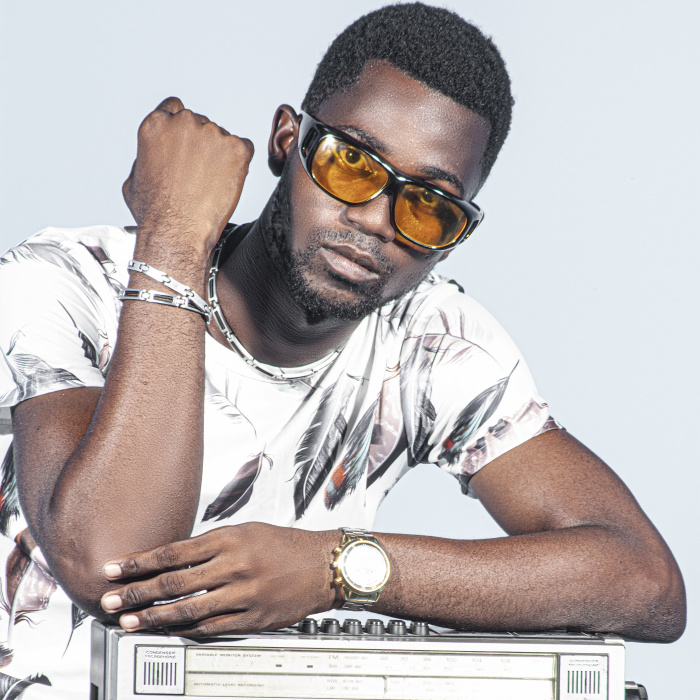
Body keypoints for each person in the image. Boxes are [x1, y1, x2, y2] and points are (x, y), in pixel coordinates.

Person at [0, 2, 685, 695]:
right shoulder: (70, 280)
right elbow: (113, 565)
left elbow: (645, 583)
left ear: (456, 236)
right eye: (351, 162)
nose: (374, 220)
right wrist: (174, 240)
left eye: (430, 205)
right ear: (286, 141)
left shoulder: (430, 343)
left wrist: (339, 568)